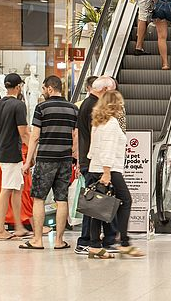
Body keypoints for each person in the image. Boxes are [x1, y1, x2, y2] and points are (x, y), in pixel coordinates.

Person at [18, 76, 78, 250]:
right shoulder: (73, 108)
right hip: (65, 160)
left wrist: (28, 162)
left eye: (44, 88)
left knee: (38, 198)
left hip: (45, 160)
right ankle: (59, 241)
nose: (43, 91)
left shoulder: (41, 108)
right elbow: (75, 136)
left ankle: (37, 240)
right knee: (62, 199)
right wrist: (77, 158)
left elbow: (35, 137)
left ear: (50, 89)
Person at [87, 91, 144, 259]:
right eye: (120, 103)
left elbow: (92, 150)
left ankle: (95, 245)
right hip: (109, 169)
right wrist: (106, 173)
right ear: (114, 104)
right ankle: (124, 242)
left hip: (97, 167)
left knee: (97, 208)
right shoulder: (111, 123)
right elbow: (108, 149)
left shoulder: (98, 122)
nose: (122, 107)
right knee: (126, 201)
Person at [75, 76, 118, 254]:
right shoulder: (93, 106)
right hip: (95, 162)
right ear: (105, 90)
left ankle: (105, 239)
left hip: (91, 160)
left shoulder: (87, 104)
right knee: (93, 202)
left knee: (100, 200)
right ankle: (86, 240)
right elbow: (98, 138)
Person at [0, 73, 31, 240]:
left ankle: (19, 226)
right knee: (7, 190)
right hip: (13, 154)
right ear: (19, 86)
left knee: (17, 189)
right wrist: (33, 152)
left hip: (2, 153)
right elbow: (24, 133)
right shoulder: (19, 105)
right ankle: (0, 230)